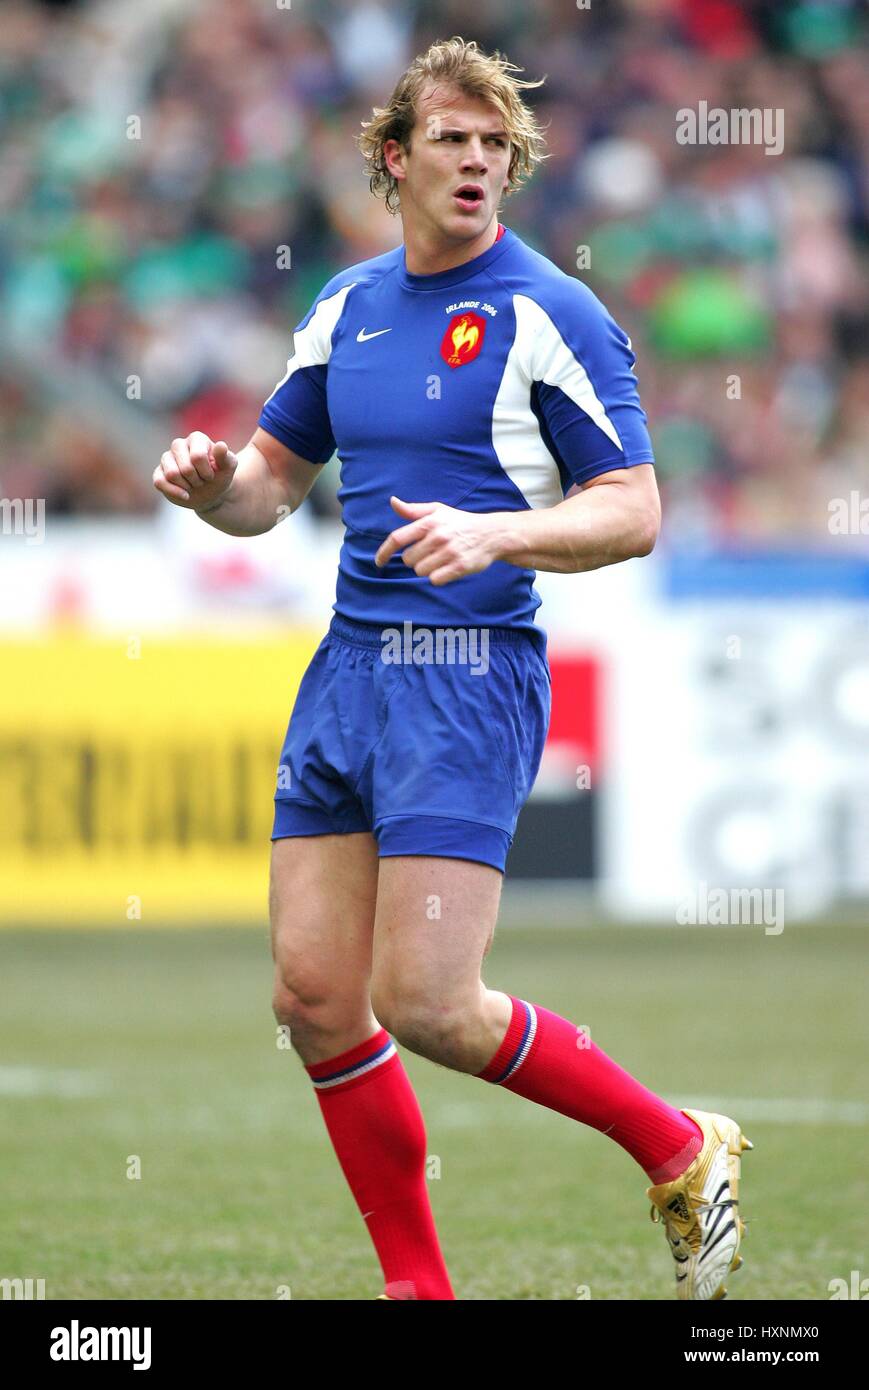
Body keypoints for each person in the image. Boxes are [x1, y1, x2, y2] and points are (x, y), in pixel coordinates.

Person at [153, 36, 751, 1302]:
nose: (478, 161)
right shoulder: (347, 305)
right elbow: (271, 486)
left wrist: (497, 530)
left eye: (497, 145)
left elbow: (634, 508)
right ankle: (416, 1292)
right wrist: (216, 490)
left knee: (426, 1000)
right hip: (346, 669)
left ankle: (677, 1142)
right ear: (394, 157)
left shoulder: (550, 310)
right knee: (316, 999)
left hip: (466, 672)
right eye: (451, 139)